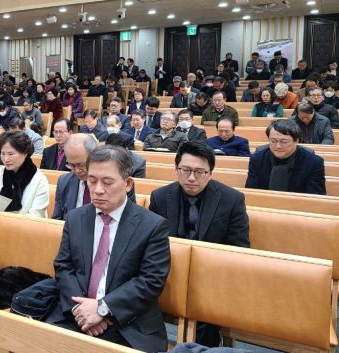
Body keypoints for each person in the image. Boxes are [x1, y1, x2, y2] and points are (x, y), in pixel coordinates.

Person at [48, 145, 170, 353]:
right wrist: (82, 309)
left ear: (128, 183)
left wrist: (103, 309)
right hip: (77, 314)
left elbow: (150, 281)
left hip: (127, 321)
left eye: (107, 182)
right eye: (92, 180)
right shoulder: (76, 218)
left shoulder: (152, 225)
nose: (97, 190)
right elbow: (64, 266)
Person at [148, 141, 249, 347]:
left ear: (210, 173)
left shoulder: (232, 199)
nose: (191, 177)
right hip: (170, 272)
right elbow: (149, 243)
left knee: (206, 311)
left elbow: (240, 249)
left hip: (213, 276)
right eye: (185, 170)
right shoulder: (160, 197)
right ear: (176, 170)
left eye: (199, 172)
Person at [245, 120, 325, 195]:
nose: (278, 146)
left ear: (296, 140)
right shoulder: (257, 159)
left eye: (284, 142)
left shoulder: (314, 162)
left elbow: (316, 196)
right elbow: (252, 192)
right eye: (273, 141)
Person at [0, 131, 49, 217]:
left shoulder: (40, 179)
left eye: (11, 154)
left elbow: (36, 217)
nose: (6, 159)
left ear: (25, 153)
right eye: (3, 153)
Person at [51, 134, 98, 220]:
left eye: (81, 165)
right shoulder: (63, 181)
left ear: (95, 156)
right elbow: (57, 220)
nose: (77, 171)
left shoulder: (111, 183)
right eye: (71, 165)